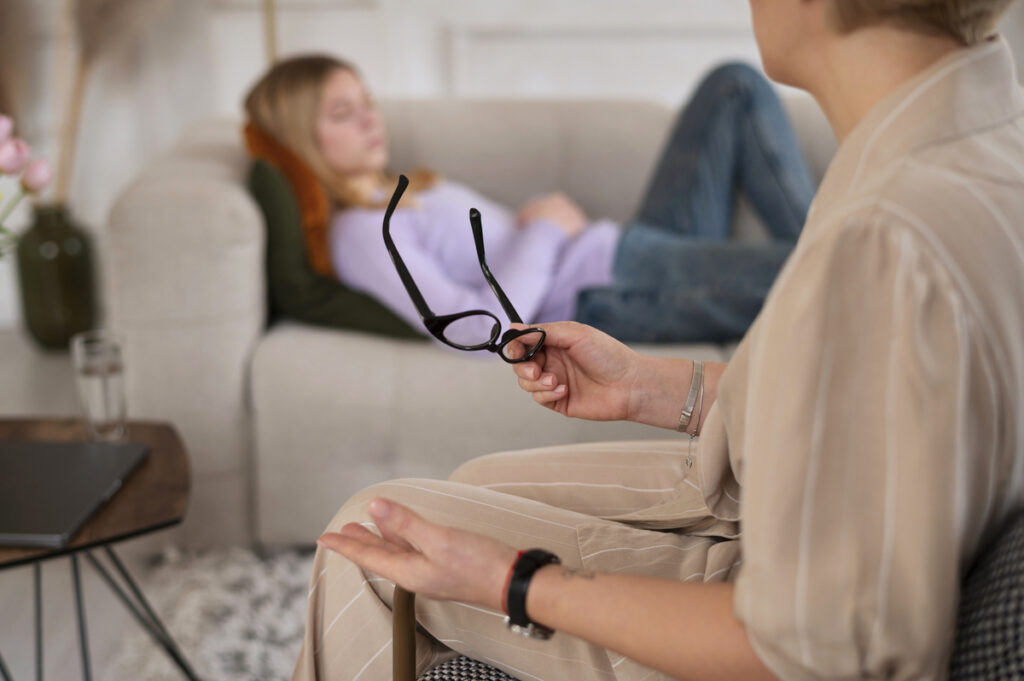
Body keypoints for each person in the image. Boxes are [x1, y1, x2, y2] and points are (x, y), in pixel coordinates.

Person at [290, 0, 1024, 679]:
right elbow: (855, 405)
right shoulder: (967, 148)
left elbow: (817, 652)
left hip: (754, 591)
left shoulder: (878, 246)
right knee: (475, 478)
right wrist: (656, 385)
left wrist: (511, 580)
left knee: (367, 537)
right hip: (767, 501)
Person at [244, 56, 817, 344]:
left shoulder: (395, 191)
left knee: (734, 85)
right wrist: (543, 229)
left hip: (621, 251)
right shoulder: (362, 233)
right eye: (345, 113)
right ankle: (849, 257)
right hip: (607, 289)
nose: (371, 118)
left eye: (366, 101)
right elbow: (475, 331)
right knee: (819, 270)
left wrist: (539, 226)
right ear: (301, 143)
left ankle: (836, 247)